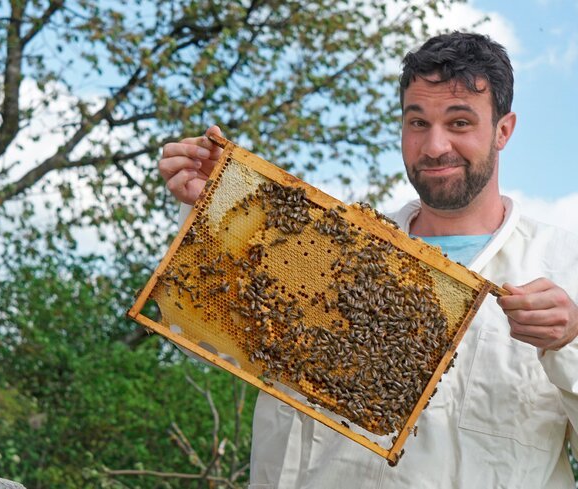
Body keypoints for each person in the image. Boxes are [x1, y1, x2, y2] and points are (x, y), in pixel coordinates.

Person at [158, 32, 578, 488]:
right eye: (418, 123)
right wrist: (211, 213)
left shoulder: (566, 265)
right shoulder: (324, 245)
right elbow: (205, 333)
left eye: (459, 123)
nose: (435, 146)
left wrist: (571, 341)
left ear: (503, 130)